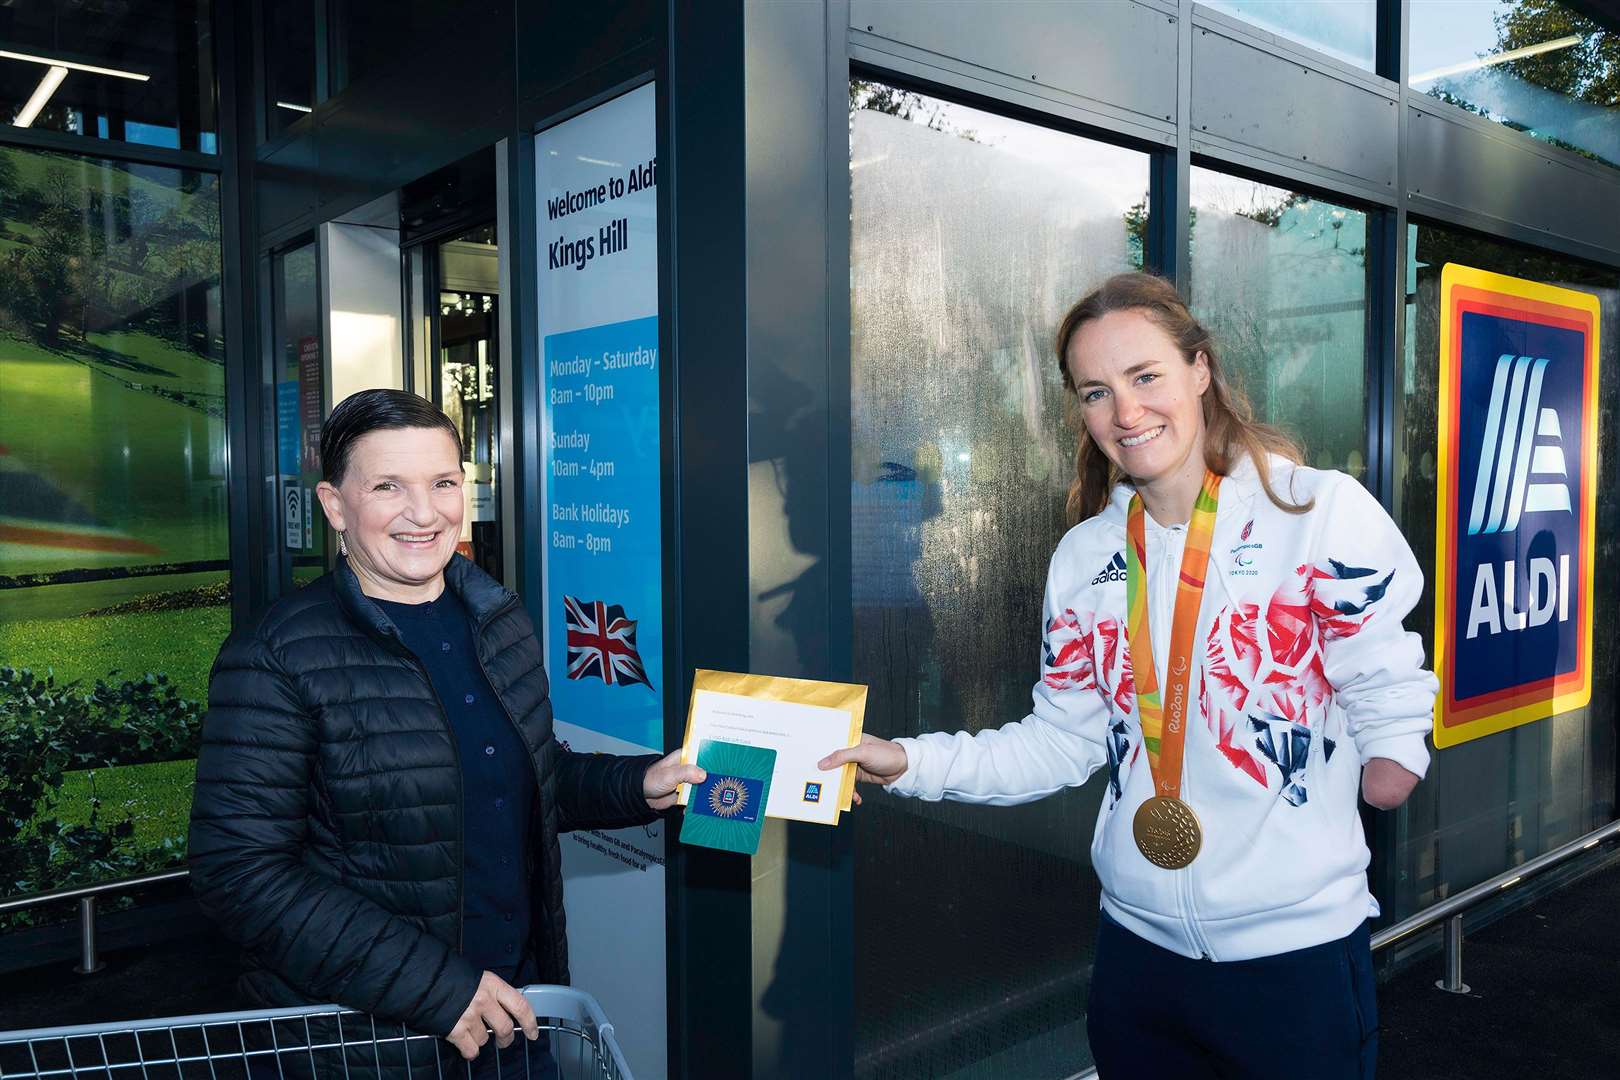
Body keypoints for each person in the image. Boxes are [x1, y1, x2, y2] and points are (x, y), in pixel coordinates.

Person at [822, 272, 1435, 1079]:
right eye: (1095, 392)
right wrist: (908, 760)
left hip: (1293, 961)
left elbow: (1383, 669)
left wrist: (1395, 745)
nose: (1126, 412)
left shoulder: (1315, 514)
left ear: (1200, 371)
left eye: (1146, 376)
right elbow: (1058, 741)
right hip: (1137, 961)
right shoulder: (1085, 558)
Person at [189, 389, 702, 1075]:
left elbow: (519, 775)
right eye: (387, 486)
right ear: (334, 505)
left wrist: (639, 783)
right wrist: (439, 988)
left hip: (511, 1012)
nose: (424, 513)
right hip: (366, 1043)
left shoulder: (499, 620)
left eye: (444, 483)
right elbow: (240, 873)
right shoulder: (277, 655)